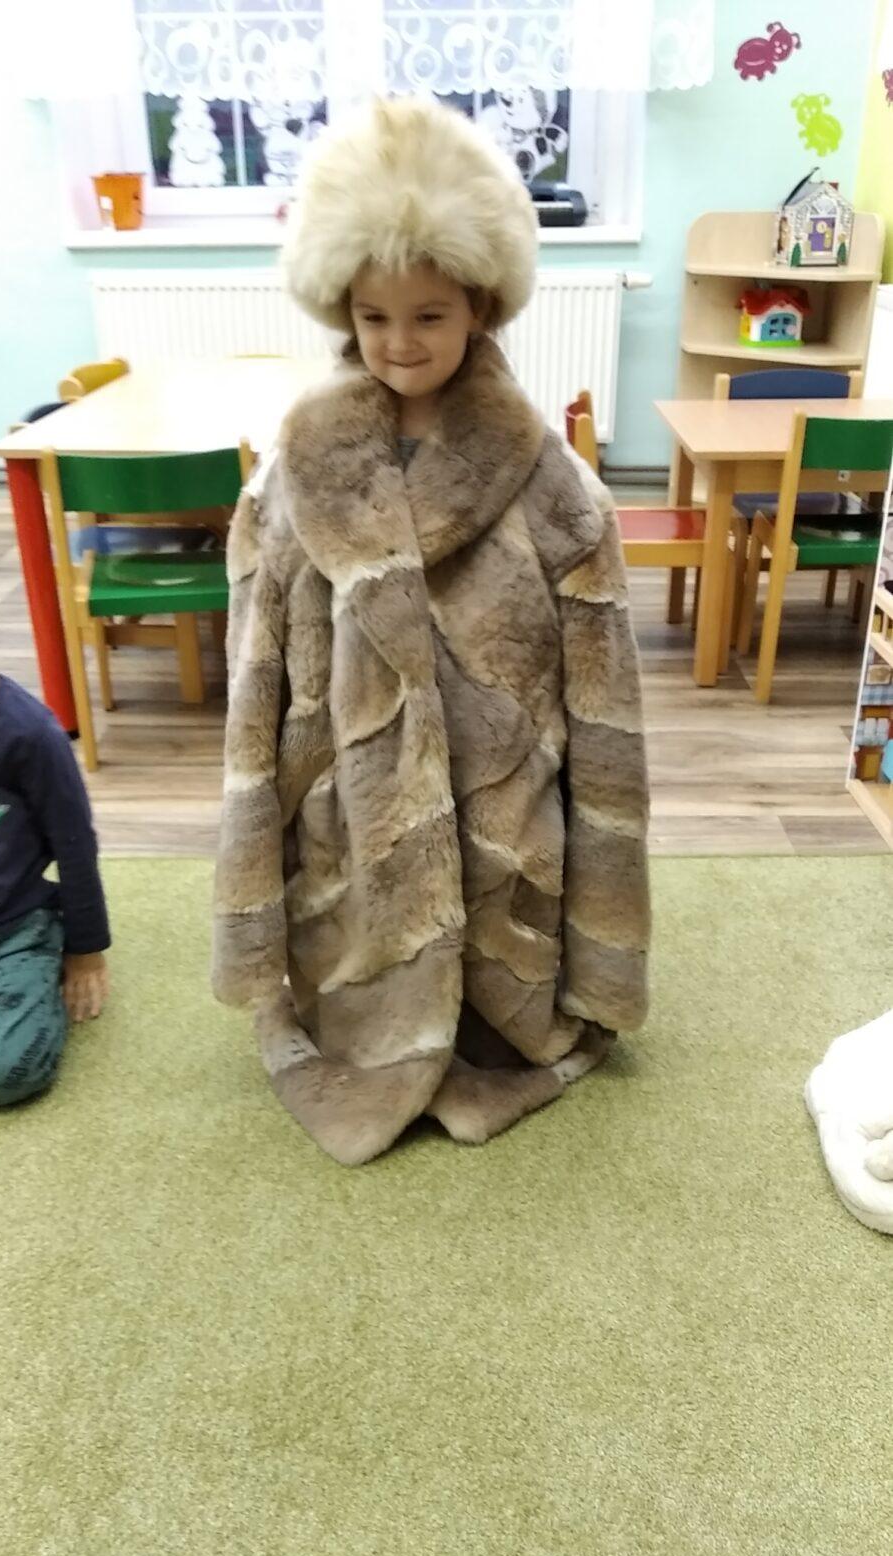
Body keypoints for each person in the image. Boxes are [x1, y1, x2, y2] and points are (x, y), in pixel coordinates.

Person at [212, 95, 650, 1165]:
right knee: (358, 923)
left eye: (429, 316)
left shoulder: (556, 486)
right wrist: (255, 873)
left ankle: (487, 1022)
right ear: (341, 309)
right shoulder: (292, 476)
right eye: (374, 318)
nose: (400, 343)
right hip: (349, 807)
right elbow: (255, 685)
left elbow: (608, 716)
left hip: (501, 803)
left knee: (501, 942)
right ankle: (372, 1015)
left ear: (481, 307)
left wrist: (605, 949)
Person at [0, 671, 110, 1106]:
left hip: (14, 929)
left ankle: (43, 968)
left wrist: (86, 950)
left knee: (8, 1070)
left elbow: (75, 846)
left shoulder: (32, 734)